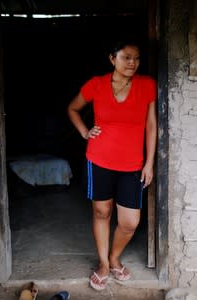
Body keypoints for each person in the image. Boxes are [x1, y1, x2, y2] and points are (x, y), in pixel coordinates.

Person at [67, 41, 157, 291]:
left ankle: (114, 256)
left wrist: (149, 163)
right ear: (112, 58)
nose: (132, 63)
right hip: (100, 160)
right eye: (126, 57)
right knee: (101, 213)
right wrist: (85, 132)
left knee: (129, 222)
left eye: (136, 58)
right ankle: (104, 264)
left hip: (132, 165)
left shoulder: (147, 85)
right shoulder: (96, 84)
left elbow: (151, 126)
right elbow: (73, 108)